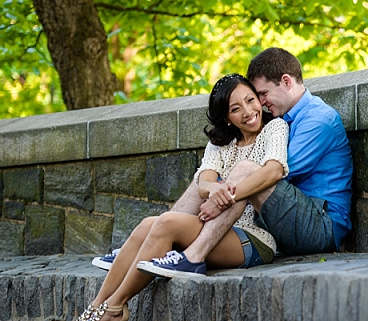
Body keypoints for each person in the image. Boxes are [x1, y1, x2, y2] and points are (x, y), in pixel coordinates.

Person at [57, 74, 289, 321]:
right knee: (148, 224)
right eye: (236, 108)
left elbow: (274, 170)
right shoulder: (220, 143)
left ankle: (114, 310)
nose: (248, 112)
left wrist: (225, 193)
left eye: (250, 101)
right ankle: (97, 306)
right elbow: (204, 181)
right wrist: (213, 190)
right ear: (226, 117)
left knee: (165, 223)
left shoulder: (275, 128)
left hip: (252, 239)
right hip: (214, 230)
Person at [135, 47, 353, 278]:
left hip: (320, 226)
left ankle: (193, 256)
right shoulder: (286, 119)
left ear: (286, 81)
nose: (260, 102)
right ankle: (149, 242)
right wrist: (212, 186)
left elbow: (272, 172)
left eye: (262, 94)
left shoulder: (318, 119)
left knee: (248, 170)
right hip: (285, 217)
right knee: (205, 180)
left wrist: (222, 197)